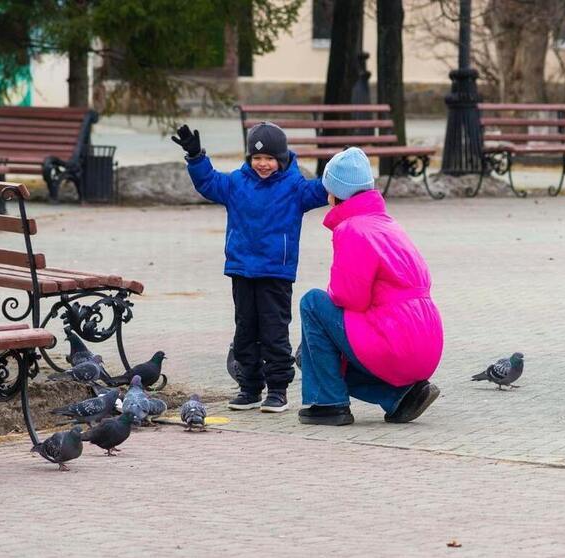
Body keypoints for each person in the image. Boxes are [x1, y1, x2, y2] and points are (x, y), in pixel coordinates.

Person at [172, 122, 328, 412]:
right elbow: (208, 183)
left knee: (274, 331)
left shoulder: (295, 187)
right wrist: (196, 156)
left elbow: (324, 189)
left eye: (269, 158)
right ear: (249, 159)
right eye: (257, 158)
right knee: (245, 330)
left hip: (275, 272)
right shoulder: (235, 183)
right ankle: (249, 387)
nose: (263, 164)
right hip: (242, 269)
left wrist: (341, 167)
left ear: (282, 159)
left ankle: (278, 390)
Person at [297, 147, 443, 426]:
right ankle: (398, 396)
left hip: (395, 342)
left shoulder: (352, 228)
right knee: (321, 352)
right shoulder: (387, 224)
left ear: (336, 193)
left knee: (312, 303)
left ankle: (329, 403)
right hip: (425, 339)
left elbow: (349, 298)